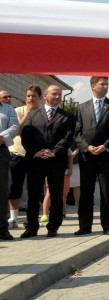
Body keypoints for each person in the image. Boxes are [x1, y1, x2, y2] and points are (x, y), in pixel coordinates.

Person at [19, 85, 75, 238]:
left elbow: (68, 137)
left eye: (60, 94)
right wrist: (36, 151)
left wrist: (53, 152)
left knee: (56, 195)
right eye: (54, 94)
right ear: (45, 96)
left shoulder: (67, 116)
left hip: (56, 161)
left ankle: (53, 227)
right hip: (36, 161)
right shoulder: (33, 114)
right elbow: (26, 136)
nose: (58, 97)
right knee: (33, 195)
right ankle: (31, 227)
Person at [73, 76, 109, 235]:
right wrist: (87, 146)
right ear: (93, 86)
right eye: (102, 84)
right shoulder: (82, 107)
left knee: (106, 191)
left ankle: (108, 226)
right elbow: (77, 132)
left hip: (105, 155)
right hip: (87, 156)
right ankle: (84, 226)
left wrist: (105, 146)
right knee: (86, 192)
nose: (106, 86)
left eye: (107, 84)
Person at [8, 85, 41, 230]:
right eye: (28, 96)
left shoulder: (43, 113)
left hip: (35, 155)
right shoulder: (18, 111)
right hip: (18, 153)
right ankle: (14, 218)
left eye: (33, 96)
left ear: (40, 97)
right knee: (15, 186)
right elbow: (16, 131)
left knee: (34, 188)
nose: (30, 98)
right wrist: (27, 114)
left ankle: (32, 218)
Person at [0, 90, 19, 241]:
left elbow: (14, 127)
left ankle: (2, 229)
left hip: (1, 150)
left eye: (9, 96)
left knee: (2, 191)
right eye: (5, 96)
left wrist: (2, 137)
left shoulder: (8, 109)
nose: (8, 98)